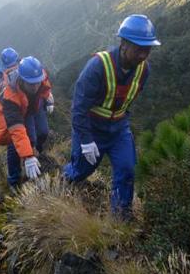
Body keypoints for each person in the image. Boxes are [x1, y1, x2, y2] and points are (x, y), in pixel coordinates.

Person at [64, 14, 161, 220]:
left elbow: (127, 99)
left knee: (126, 169)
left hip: (118, 128)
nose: (144, 54)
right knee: (81, 170)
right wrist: (86, 140)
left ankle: (120, 216)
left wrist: (119, 120)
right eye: (139, 49)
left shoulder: (144, 70)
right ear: (124, 44)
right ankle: (63, 183)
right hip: (92, 128)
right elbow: (79, 108)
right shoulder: (98, 66)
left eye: (148, 49)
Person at [0, 56, 52, 187]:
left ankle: (34, 154)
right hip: (8, 108)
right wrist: (27, 156)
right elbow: (16, 129)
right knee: (14, 141)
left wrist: (48, 98)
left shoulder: (40, 75)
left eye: (37, 82)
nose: (35, 86)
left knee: (42, 133)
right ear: (22, 80)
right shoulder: (10, 95)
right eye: (31, 83)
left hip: (29, 106)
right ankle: (14, 180)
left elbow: (45, 87)